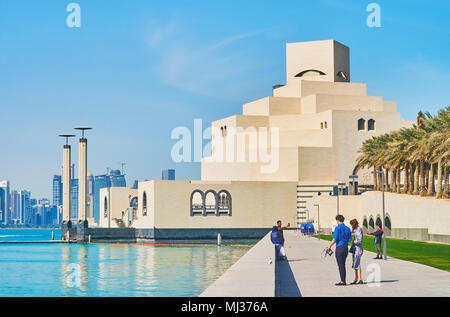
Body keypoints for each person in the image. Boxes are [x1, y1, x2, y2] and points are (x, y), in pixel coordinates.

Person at [327, 215, 351, 286]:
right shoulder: (348, 228)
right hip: (345, 248)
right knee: (343, 264)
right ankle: (343, 280)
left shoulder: (337, 228)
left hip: (339, 248)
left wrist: (329, 246)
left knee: (340, 265)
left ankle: (342, 281)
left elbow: (335, 239)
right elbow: (349, 239)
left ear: (337, 221)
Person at [349, 219, 364, 285]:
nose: (351, 226)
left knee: (357, 264)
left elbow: (359, 240)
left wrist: (354, 242)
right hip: (355, 249)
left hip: (358, 249)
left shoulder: (359, 230)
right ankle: (356, 278)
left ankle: (360, 279)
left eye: (352, 225)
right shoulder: (356, 230)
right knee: (355, 264)